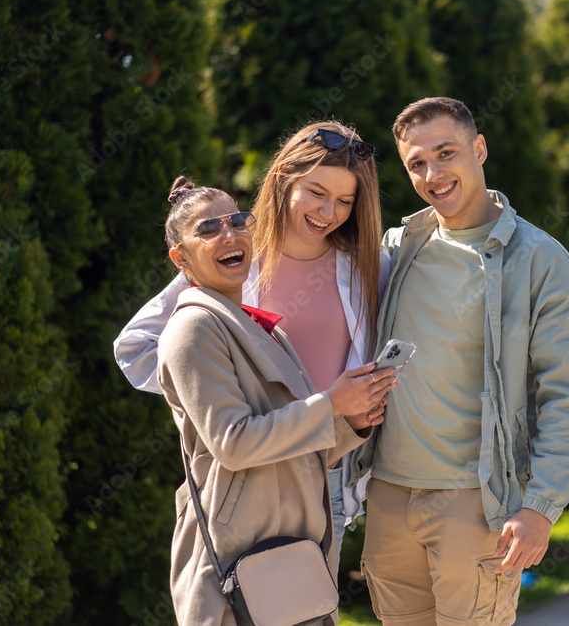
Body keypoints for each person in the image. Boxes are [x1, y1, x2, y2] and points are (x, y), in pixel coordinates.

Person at [349, 97, 569, 624]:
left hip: (476, 504)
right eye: (416, 163)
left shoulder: (542, 262)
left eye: (446, 153)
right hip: (390, 496)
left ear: (479, 148)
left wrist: (541, 507)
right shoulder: (399, 247)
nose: (433, 174)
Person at [114, 121, 390, 574]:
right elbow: (137, 347)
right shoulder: (232, 258)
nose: (328, 211)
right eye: (316, 192)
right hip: (245, 482)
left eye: (345, 200)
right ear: (284, 180)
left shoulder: (369, 266)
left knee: (312, 612)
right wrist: (213, 397)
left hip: (329, 471)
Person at [155, 176, 394, 625]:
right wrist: (330, 404)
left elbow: (294, 445)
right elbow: (235, 444)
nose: (230, 235)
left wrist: (352, 423)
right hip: (240, 564)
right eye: (208, 230)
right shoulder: (193, 330)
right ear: (180, 257)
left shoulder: (261, 326)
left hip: (295, 558)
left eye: (238, 221)